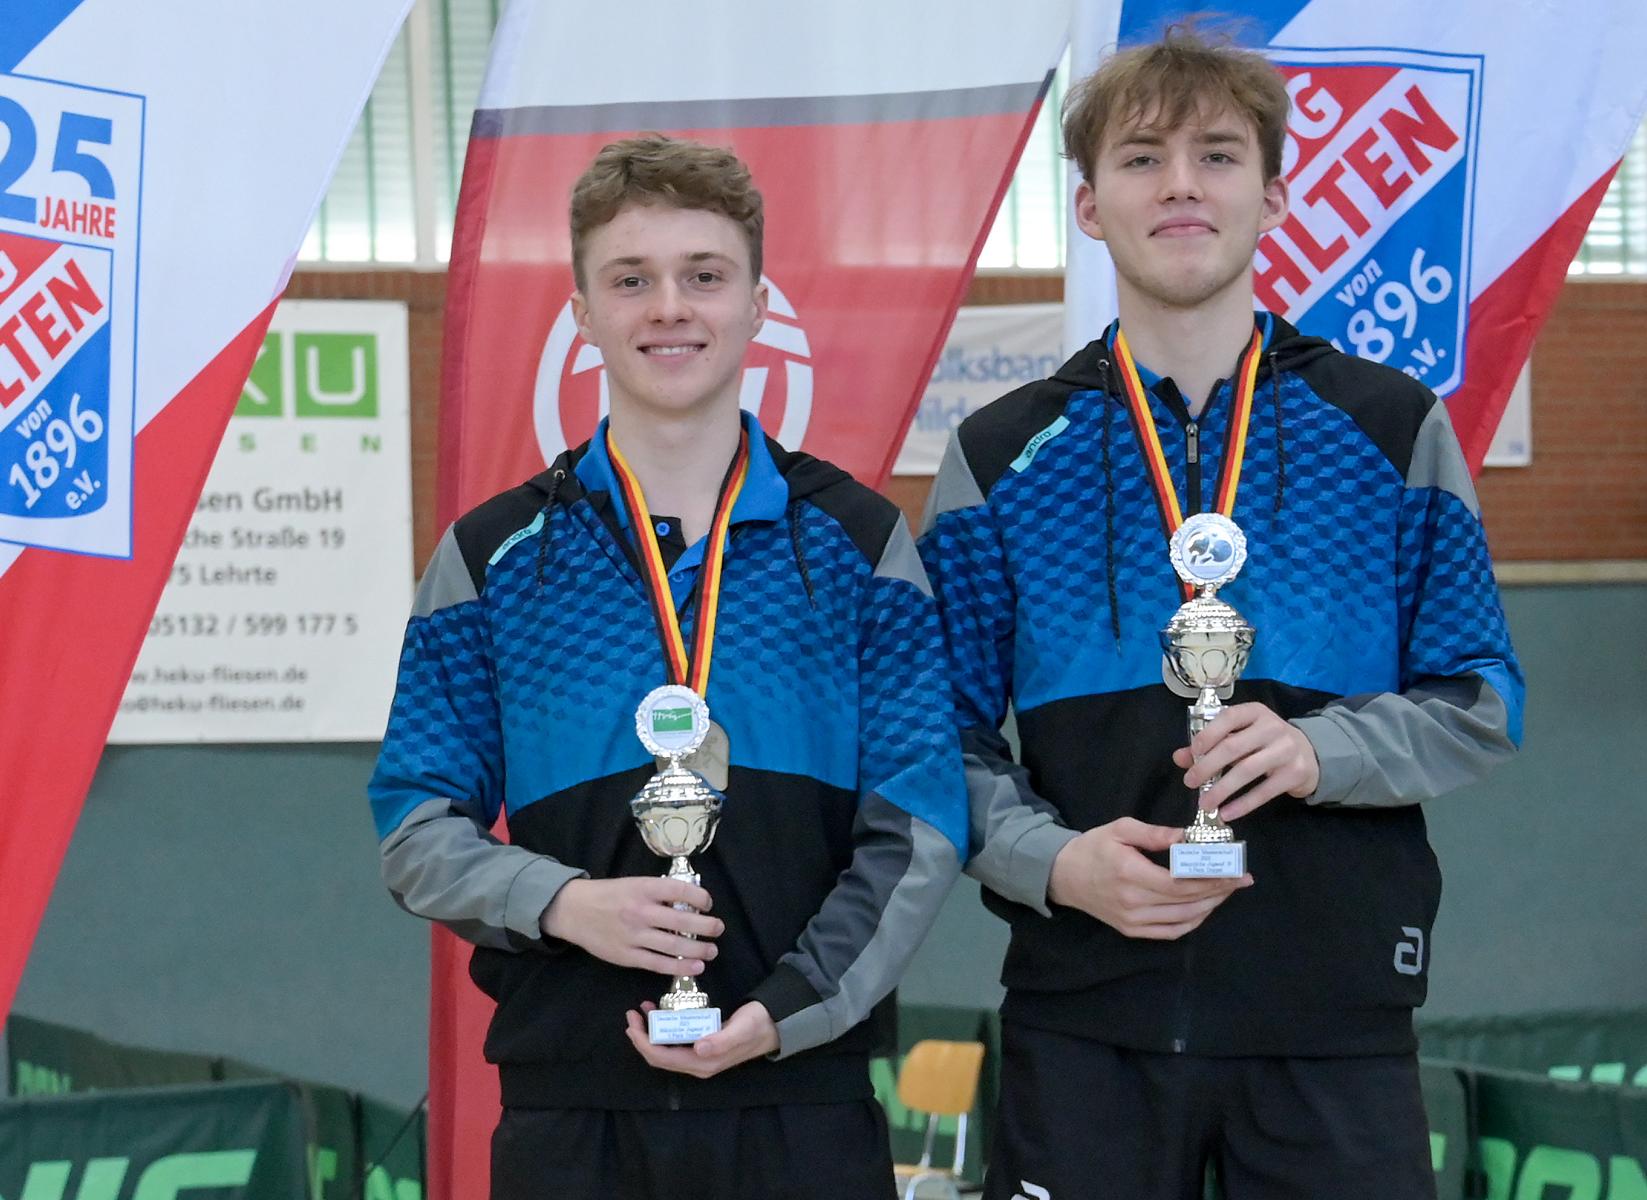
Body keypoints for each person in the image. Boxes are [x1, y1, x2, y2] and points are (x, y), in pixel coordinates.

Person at [919, 26, 1524, 1200]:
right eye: (1143, 159)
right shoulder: (1000, 457)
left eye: (1217, 156)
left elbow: (1481, 697)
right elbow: (934, 738)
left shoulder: (1391, 427)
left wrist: (1320, 750)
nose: (1181, 185)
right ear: (1090, 207)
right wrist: (1057, 864)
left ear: (1274, 197)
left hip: (1332, 1027)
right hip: (1085, 1023)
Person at [370, 134, 966, 1199]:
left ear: (757, 304)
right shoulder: (494, 555)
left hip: (802, 1097)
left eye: (703, 276)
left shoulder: (859, 543)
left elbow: (918, 822)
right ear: (582, 313)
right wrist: (562, 902)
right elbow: (415, 826)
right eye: (631, 280)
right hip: (573, 1111)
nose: (669, 309)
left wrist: (788, 1009)